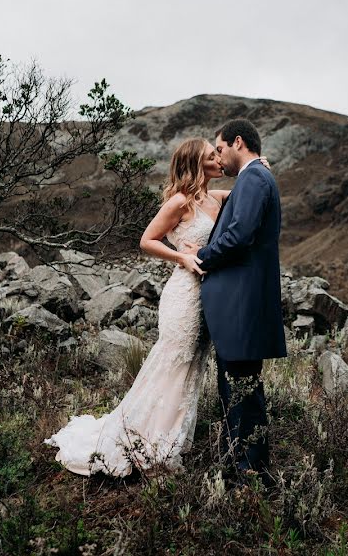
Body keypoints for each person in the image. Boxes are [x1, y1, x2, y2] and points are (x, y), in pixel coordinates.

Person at [44, 137, 269, 476]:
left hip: (206, 296)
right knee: (172, 364)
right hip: (183, 295)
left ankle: (168, 440)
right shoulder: (179, 202)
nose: (218, 159)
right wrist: (182, 255)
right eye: (211, 156)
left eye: (218, 153)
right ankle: (148, 445)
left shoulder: (214, 197)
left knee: (191, 369)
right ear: (196, 164)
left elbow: (245, 195)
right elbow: (146, 240)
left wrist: (259, 166)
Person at [183, 118, 287, 480]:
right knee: (237, 390)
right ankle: (237, 465)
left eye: (221, 148)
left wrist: (204, 255)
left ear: (237, 142)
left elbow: (241, 235)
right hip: (239, 308)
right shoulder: (253, 178)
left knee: (244, 391)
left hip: (243, 307)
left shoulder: (255, 179)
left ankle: (250, 473)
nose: (219, 158)